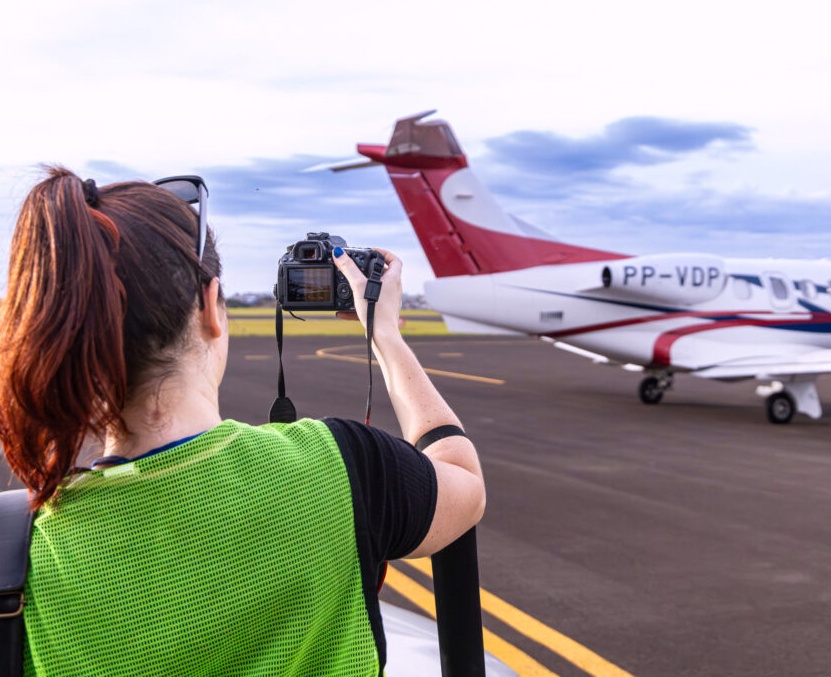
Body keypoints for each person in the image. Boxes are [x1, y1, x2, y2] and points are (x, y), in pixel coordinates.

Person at [0, 167, 486, 676]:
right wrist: (384, 335)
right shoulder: (341, 467)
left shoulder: (19, 553)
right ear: (211, 307)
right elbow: (464, 481)